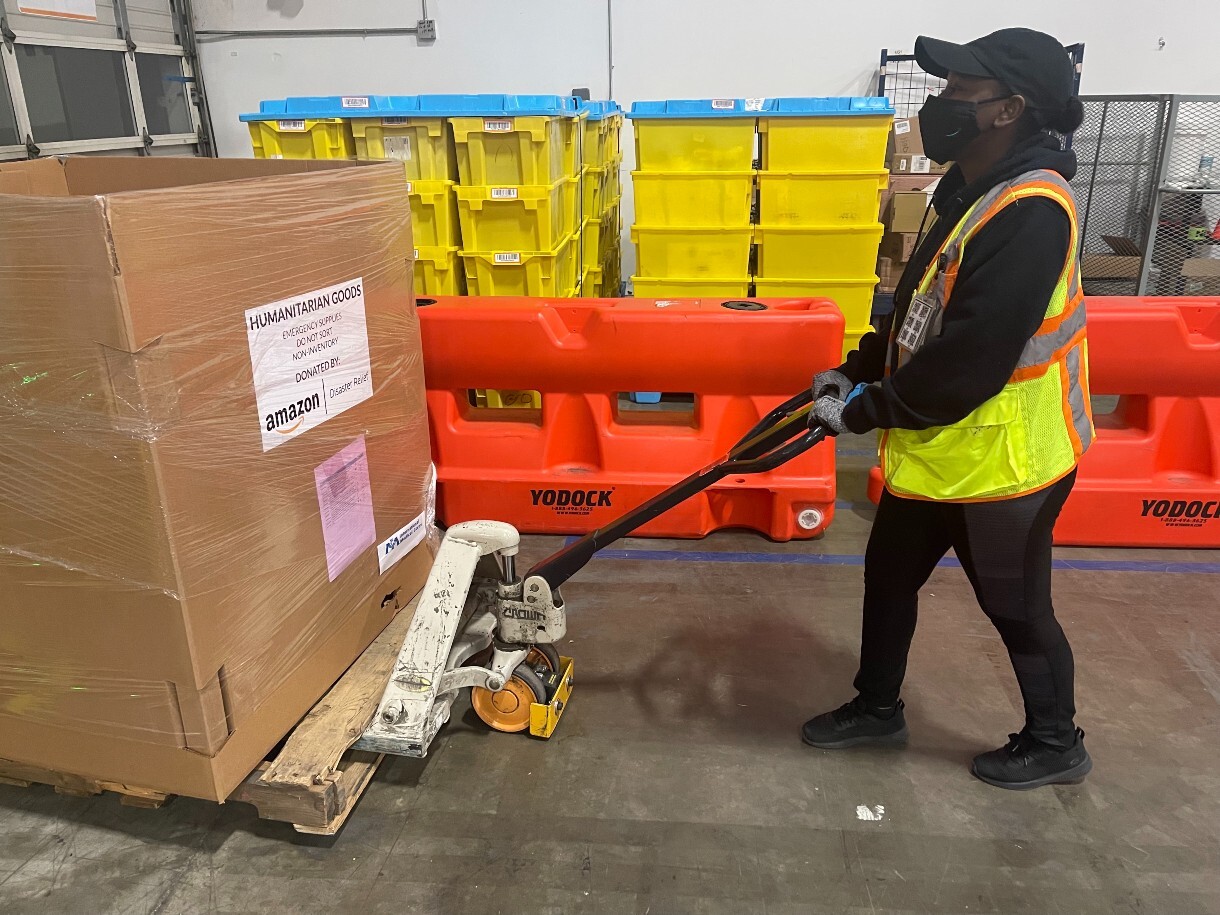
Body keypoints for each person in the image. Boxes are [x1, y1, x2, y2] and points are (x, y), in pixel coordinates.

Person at [801, 28, 1094, 790]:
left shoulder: (1033, 211)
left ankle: (1057, 740)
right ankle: (876, 707)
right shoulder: (967, 190)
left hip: (1007, 461)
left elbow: (970, 360)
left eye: (960, 93)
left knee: (1015, 604)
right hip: (942, 446)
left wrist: (863, 414)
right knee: (889, 574)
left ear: (1009, 110)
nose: (940, 107)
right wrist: (855, 367)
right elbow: (919, 313)